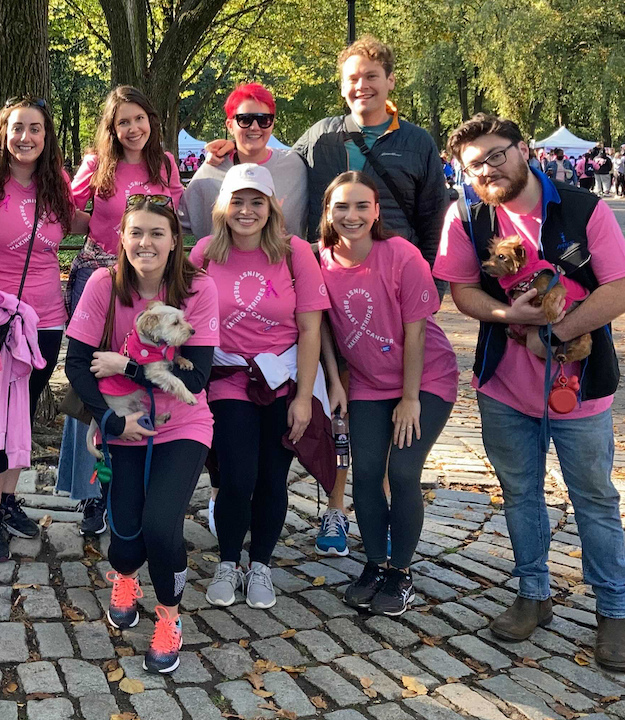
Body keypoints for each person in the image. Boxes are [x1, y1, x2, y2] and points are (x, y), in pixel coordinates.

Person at [438, 114, 625, 671]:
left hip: (579, 388)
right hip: (503, 386)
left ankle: (613, 612)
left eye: (496, 155)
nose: (487, 169)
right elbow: (461, 291)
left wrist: (557, 331)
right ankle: (533, 595)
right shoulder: (466, 216)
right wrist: (510, 314)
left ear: (522, 148)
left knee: (594, 498)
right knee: (520, 492)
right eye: (473, 163)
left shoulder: (581, 209)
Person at [284, 36, 446, 557]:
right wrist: (227, 149)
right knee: (342, 414)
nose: (362, 85)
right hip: (334, 288)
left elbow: (433, 218)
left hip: (398, 293)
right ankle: (336, 512)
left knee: (385, 429)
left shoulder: (417, 142)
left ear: (390, 81)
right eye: (353, 77)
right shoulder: (320, 138)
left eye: (371, 76)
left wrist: (427, 293)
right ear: (342, 84)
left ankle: (384, 525)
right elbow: (276, 170)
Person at [66, 194, 218, 674]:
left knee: (160, 525)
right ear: (122, 238)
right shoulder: (101, 285)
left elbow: (195, 380)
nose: (145, 242)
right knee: (126, 532)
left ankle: (169, 618)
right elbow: (77, 364)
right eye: (136, 233)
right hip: (123, 423)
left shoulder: (199, 289)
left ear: (176, 240)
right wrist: (108, 421)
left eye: (157, 233)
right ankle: (125, 579)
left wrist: (128, 365)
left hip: (183, 425)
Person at [316, 171, 458, 615]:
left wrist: (410, 398)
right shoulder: (321, 260)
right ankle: (375, 564)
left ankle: (400, 572)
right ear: (328, 213)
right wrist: (336, 382)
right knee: (366, 474)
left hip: (425, 380)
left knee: (401, 472)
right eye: (342, 206)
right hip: (364, 384)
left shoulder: (400, 255)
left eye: (362, 206)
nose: (352, 215)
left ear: (376, 212)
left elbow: (416, 334)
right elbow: (319, 324)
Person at [190, 164, 328, 610]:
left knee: (272, 477)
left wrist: (305, 397)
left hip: (283, 378)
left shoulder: (295, 253)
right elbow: (181, 316)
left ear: (272, 207)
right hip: (228, 378)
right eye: (238, 201)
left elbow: (310, 328)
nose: (246, 211)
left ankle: (262, 565)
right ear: (222, 207)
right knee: (235, 476)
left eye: (256, 201)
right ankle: (229, 561)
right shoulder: (205, 254)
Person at [0, 98, 88, 561]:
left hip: (47, 318)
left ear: (46, 135)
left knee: (25, 409)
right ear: (3, 131)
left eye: (35, 128)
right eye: (17, 128)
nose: (25, 137)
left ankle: (9, 500)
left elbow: (86, 222)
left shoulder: (57, 184)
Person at [57, 85, 184, 537]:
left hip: (151, 280)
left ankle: (136, 480)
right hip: (101, 277)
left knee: (136, 373)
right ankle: (92, 490)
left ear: (151, 120)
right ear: (111, 128)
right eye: (122, 122)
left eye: (138, 119)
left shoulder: (165, 165)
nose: (132, 129)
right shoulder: (97, 165)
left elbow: (174, 220)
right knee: (92, 377)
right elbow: (67, 214)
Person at [181, 83, 308, 240]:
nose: (254, 127)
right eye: (245, 119)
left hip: (284, 262)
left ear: (272, 123)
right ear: (230, 125)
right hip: (223, 262)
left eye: (264, 120)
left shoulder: (296, 166)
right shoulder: (210, 172)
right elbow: (174, 222)